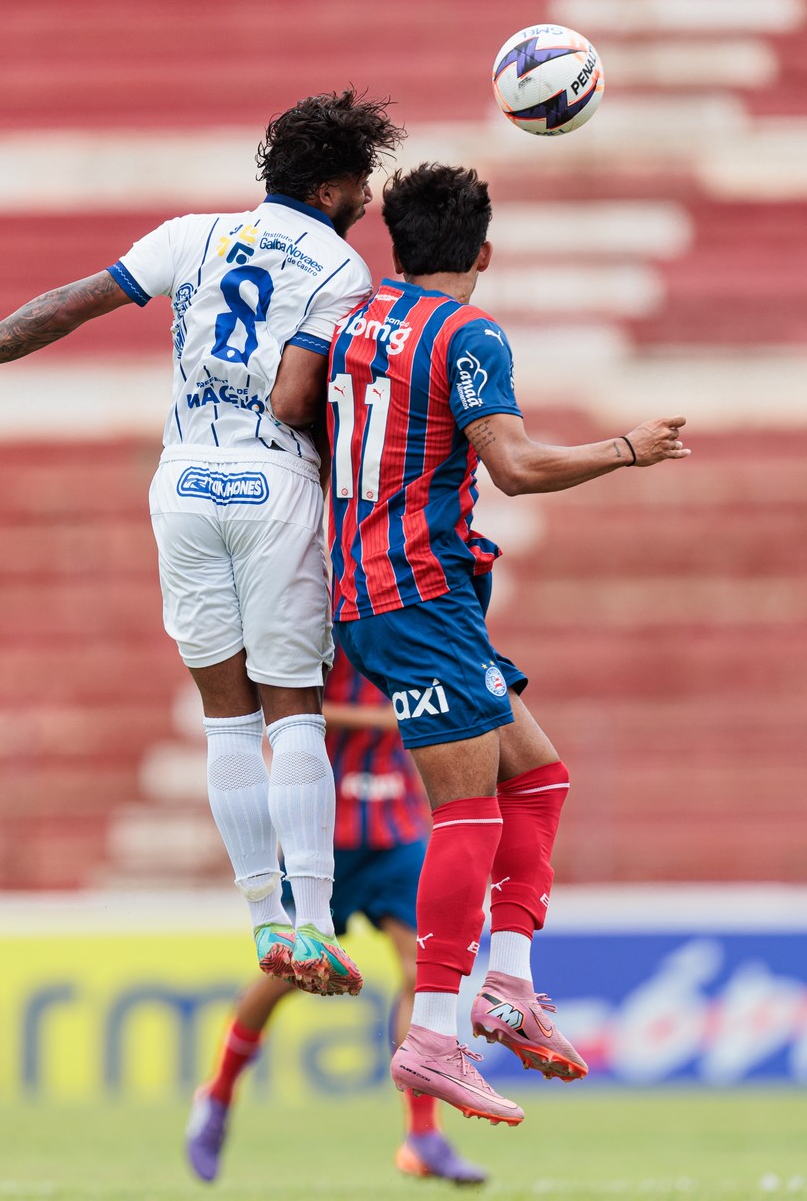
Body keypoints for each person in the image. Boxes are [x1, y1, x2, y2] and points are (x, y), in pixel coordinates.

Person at [0, 90, 405, 998]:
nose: (365, 199)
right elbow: (293, 398)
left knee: (225, 715)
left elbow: (69, 305)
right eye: (359, 183)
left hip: (184, 484)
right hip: (272, 481)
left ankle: (261, 924)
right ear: (330, 187)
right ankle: (316, 924)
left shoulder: (191, 235)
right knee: (295, 712)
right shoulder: (343, 271)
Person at [326, 163, 690, 1125]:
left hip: (391, 589)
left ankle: (511, 986)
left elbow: (295, 412)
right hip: (416, 592)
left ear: (395, 246)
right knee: (466, 813)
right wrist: (626, 449)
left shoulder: (353, 319)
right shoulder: (468, 331)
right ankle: (435, 1036)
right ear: (482, 253)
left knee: (538, 775)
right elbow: (517, 466)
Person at [185, 647, 487, 1186]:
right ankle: (218, 1094)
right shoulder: (322, 620)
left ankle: (423, 1135)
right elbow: (281, 706)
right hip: (324, 833)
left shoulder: (405, 620)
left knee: (424, 974)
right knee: (285, 975)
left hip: (396, 831)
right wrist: (393, 716)